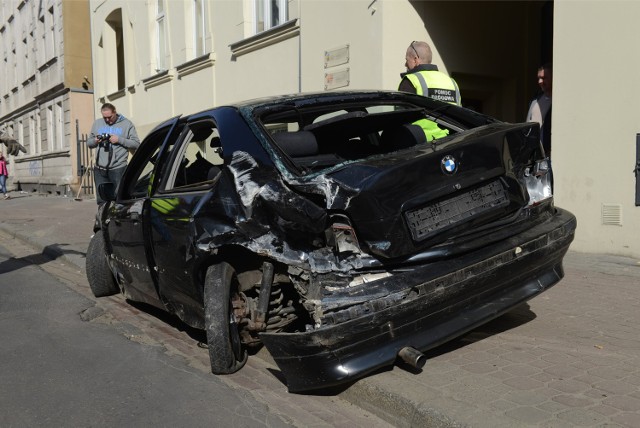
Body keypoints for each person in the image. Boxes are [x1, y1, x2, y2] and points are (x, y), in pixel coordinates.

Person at [398, 41, 461, 141]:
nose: (405, 63)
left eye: (407, 59)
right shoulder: (451, 82)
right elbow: (460, 115)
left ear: (415, 59)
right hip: (449, 144)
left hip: (419, 146)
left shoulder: (411, 80)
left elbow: (400, 119)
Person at [88, 103, 140, 203]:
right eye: (104, 118)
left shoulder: (127, 124)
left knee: (119, 199)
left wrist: (119, 139)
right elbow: (89, 143)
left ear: (115, 112)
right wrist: (95, 140)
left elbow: (136, 144)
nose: (107, 120)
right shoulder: (97, 123)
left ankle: (118, 218)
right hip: (100, 169)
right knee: (102, 200)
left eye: (109, 117)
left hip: (118, 169)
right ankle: (103, 218)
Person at [526, 63, 552, 156]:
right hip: (533, 154)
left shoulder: (558, 102)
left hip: (548, 155)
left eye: (544, 78)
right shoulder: (535, 99)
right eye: (538, 78)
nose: (540, 81)